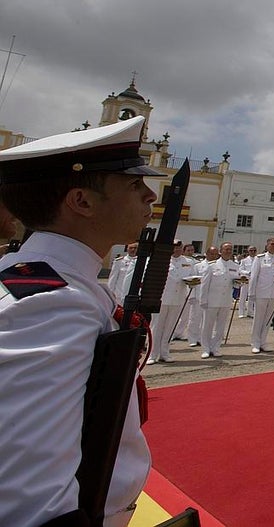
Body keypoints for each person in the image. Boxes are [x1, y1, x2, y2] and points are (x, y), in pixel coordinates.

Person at [0, 115, 159, 526]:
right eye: (133, 184)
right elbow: (29, 499)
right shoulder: (52, 304)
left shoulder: (50, 280)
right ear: (82, 202)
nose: (151, 195)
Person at [149, 240, 196, 364]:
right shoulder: (161, 260)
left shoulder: (188, 262)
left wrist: (192, 282)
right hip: (162, 298)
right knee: (156, 326)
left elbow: (193, 276)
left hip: (178, 298)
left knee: (170, 326)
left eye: (179, 247)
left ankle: (164, 352)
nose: (177, 250)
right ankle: (152, 354)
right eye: (174, 247)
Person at [199, 242, 241, 358]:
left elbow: (236, 284)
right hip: (212, 300)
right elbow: (205, 284)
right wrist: (203, 300)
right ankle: (206, 348)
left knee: (221, 327)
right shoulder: (212, 265)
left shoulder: (235, 266)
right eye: (226, 249)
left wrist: (239, 283)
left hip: (225, 300)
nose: (228, 251)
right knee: (207, 325)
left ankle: (216, 347)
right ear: (221, 251)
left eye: (230, 249)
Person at [248, 237, 274, 353]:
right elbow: (253, 277)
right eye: (272, 244)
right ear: (267, 245)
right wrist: (251, 293)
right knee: (258, 319)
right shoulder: (260, 259)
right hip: (261, 292)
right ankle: (255, 343)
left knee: (268, 319)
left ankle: (263, 341)